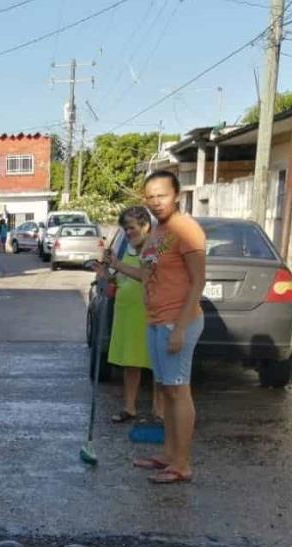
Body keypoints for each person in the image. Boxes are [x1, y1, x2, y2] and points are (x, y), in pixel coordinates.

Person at [110, 171, 206, 484]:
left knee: (178, 391)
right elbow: (145, 276)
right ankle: (167, 454)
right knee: (166, 388)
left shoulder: (186, 229)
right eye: (150, 196)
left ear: (176, 195)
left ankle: (182, 464)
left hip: (177, 320)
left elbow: (198, 281)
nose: (156, 201)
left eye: (161, 195)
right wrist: (115, 264)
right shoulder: (159, 232)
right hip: (156, 320)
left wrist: (179, 328)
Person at [100, 206, 163, 425]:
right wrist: (106, 273)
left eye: (131, 228)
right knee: (130, 362)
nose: (128, 233)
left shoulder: (154, 247)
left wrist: (119, 265)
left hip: (148, 313)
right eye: (125, 229)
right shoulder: (128, 247)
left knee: (156, 363)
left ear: (146, 226)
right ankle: (129, 407)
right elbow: (119, 278)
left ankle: (158, 411)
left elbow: (145, 276)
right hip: (127, 312)